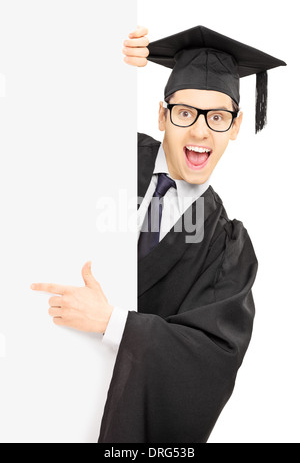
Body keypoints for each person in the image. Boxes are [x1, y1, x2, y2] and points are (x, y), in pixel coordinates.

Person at [31, 25, 286, 443]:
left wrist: (114, 323)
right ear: (162, 114)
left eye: (218, 118)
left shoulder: (226, 249)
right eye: (185, 113)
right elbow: (44, 117)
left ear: (236, 127)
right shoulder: (110, 153)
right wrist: (98, 63)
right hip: (37, 388)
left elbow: (213, 358)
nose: (201, 132)